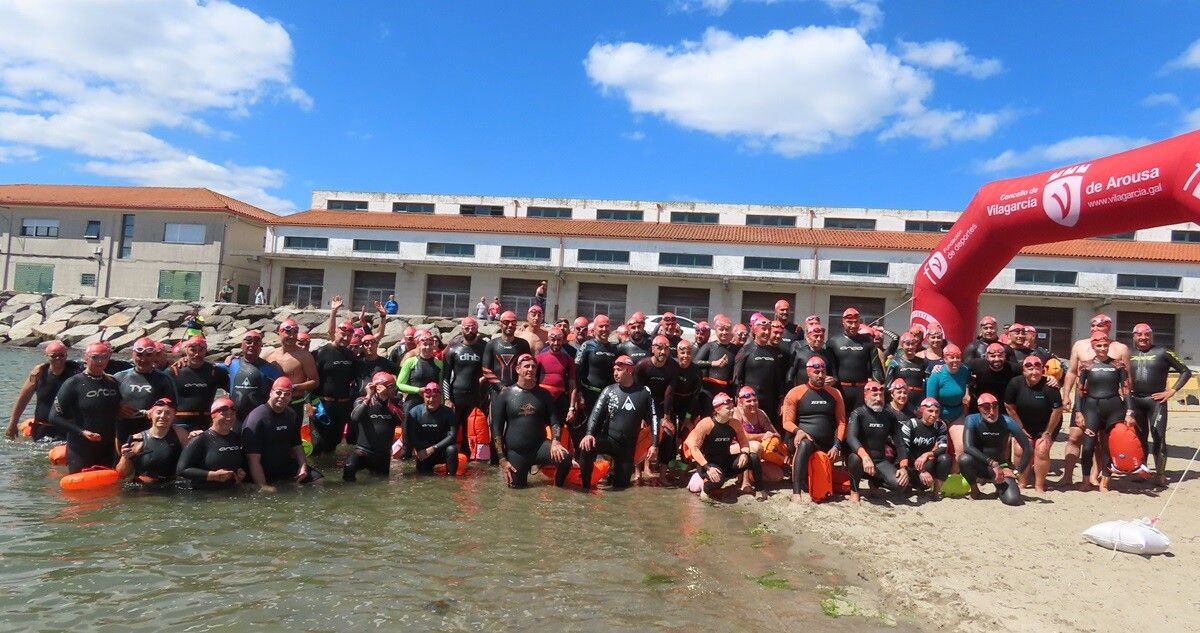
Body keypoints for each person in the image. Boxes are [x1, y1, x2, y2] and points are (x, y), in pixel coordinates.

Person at [1060, 313, 1130, 487]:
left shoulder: (1120, 348)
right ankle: (1068, 476)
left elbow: (1127, 380)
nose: (1094, 329)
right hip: (1085, 399)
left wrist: (1127, 407)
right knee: (1075, 437)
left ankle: (1094, 476)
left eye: (1099, 326)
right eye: (1092, 325)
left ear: (1109, 326)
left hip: (1110, 401)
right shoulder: (1080, 345)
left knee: (1102, 441)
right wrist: (1066, 394)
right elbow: (1071, 371)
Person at [578, 355, 659, 489]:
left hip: (627, 448)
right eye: (614, 369)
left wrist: (654, 445)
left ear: (629, 370)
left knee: (621, 488)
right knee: (587, 445)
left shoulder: (644, 392)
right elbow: (595, 414)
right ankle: (585, 485)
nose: (615, 373)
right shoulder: (609, 390)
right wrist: (589, 433)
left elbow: (654, 417)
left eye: (619, 369)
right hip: (609, 440)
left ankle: (611, 475)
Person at [490, 355, 570, 488]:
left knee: (565, 458)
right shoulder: (506, 394)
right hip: (516, 452)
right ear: (517, 369)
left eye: (533, 366)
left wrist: (556, 441)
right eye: (526, 366)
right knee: (517, 491)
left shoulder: (544, 394)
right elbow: (496, 429)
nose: (530, 369)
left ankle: (558, 488)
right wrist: (502, 460)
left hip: (539, 447)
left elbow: (555, 421)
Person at [1127, 322, 1192, 486]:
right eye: (1139, 334)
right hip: (1135, 400)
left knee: (1159, 437)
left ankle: (1160, 474)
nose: (1143, 337)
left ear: (1151, 336)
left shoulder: (1163, 351)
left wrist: (1172, 391)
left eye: (1147, 334)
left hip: (1156, 401)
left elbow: (1186, 371)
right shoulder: (1127, 353)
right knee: (1140, 438)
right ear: (1133, 336)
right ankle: (1142, 471)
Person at [48, 342, 123, 473]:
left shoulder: (113, 383)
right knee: (79, 490)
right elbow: (54, 417)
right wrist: (82, 432)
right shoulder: (73, 383)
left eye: (105, 357)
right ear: (85, 358)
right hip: (81, 448)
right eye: (95, 357)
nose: (100, 361)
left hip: (108, 448)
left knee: (108, 491)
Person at [781, 356, 846, 502]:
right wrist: (799, 431)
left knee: (830, 489)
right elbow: (786, 422)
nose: (821, 375)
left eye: (823, 372)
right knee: (805, 443)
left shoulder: (835, 393)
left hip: (826, 445)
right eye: (817, 372)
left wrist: (837, 445)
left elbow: (841, 423)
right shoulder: (795, 392)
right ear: (808, 373)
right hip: (802, 441)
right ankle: (796, 492)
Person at [1075, 332, 1131, 492]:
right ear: (1093, 347)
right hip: (1091, 407)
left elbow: (1126, 390)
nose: (1102, 348)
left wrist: (1130, 411)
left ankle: (1105, 482)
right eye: (1098, 345)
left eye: (1105, 345)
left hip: (1114, 408)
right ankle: (1085, 480)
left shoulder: (1118, 365)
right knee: (1087, 447)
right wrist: (1079, 411)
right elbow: (1079, 391)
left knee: (1109, 447)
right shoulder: (1086, 365)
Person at [685, 392, 766, 500]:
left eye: (732, 407)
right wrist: (708, 467)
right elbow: (694, 448)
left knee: (753, 457)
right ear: (718, 410)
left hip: (726, 462)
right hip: (708, 464)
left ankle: (760, 490)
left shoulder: (735, 423)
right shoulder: (706, 424)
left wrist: (744, 453)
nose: (732, 410)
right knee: (718, 480)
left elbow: (744, 442)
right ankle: (705, 488)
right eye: (728, 408)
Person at [242, 377, 318, 489]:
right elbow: (253, 460)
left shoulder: (291, 414)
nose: (282, 396)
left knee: (318, 481)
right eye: (278, 392)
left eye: (287, 394)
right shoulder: (257, 419)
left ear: (291, 396)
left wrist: (303, 466)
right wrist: (263, 486)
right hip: (263, 469)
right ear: (271, 393)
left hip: (284, 466)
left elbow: (296, 445)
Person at [1003, 355, 1063, 492]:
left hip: (1048, 424)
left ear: (1043, 369)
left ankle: (1039, 485)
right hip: (1024, 424)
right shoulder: (1015, 383)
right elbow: (1009, 407)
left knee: (1041, 450)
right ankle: (1022, 482)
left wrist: (1048, 433)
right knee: (1020, 449)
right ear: (1023, 370)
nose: (1033, 371)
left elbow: (1057, 410)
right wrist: (1020, 428)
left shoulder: (1050, 386)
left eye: (1037, 367)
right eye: (1029, 367)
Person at [959, 393, 1032, 504]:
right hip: (980, 465)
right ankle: (975, 490)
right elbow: (968, 447)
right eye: (987, 408)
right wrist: (992, 463)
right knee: (964, 459)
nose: (992, 412)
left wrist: (1017, 471)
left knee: (1013, 500)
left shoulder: (1007, 421)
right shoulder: (972, 419)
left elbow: (1028, 448)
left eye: (995, 407)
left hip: (1001, 467)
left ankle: (999, 487)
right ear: (979, 408)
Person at [845, 381, 908, 501]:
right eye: (874, 395)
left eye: (881, 395)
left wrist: (904, 468)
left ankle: (875, 482)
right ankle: (854, 490)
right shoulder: (858, 414)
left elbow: (900, 443)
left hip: (880, 461)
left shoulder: (889, 415)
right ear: (865, 396)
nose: (878, 398)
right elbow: (851, 437)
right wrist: (865, 457)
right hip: (860, 460)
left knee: (901, 483)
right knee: (854, 458)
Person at [7, 340, 81, 441]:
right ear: (46, 356)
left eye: (62, 355)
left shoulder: (76, 371)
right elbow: (23, 400)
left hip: (67, 427)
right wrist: (12, 424)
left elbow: (94, 364)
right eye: (53, 355)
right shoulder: (38, 374)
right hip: (42, 428)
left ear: (66, 355)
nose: (58, 358)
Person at [114, 336, 179, 442]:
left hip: (152, 434)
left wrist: (155, 412)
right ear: (132, 354)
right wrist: (116, 407)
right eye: (139, 355)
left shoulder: (164, 379)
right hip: (123, 432)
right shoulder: (119, 377)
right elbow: (104, 403)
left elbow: (173, 407)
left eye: (148, 355)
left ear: (154, 356)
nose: (143, 359)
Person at [313, 313, 360, 455]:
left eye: (349, 336)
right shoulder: (321, 352)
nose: (345, 339)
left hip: (343, 406)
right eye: (343, 335)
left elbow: (357, 378)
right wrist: (310, 403)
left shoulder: (351, 355)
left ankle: (331, 471)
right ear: (335, 333)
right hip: (323, 404)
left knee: (335, 442)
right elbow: (311, 378)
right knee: (319, 443)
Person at [176, 396, 247, 490]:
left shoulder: (236, 438)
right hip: (203, 494)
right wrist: (212, 475)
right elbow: (182, 470)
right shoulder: (200, 439)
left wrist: (240, 471)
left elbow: (235, 462)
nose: (229, 418)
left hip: (229, 492)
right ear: (213, 416)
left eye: (232, 414)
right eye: (224, 414)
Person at [635, 335, 680, 478]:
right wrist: (641, 416)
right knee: (641, 434)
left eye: (666, 348)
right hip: (645, 406)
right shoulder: (643, 365)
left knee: (668, 434)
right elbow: (637, 392)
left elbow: (670, 392)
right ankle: (638, 472)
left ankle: (662, 475)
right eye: (659, 348)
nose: (663, 352)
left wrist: (666, 417)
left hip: (662, 406)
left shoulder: (673, 366)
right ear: (652, 349)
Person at [345, 373, 403, 481]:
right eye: (391, 387)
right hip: (363, 451)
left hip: (383, 454)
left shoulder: (395, 403)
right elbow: (355, 417)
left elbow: (402, 420)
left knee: (381, 485)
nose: (394, 390)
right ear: (379, 387)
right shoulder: (362, 401)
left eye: (394, 386)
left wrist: (386, 401)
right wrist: (368, 396)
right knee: (349, 467)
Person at [443, 316, 487, 455]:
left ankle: (475, 457)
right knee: (454, 428)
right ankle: (451, 456)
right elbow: (445, 377)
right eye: (466, 328)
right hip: (457, 395)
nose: (469, 330)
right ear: (461, 329)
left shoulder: (484, 348)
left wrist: (484, 378)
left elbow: (491, 370)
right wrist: (447, 398)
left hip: (477, 396)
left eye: (472, 327)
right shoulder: (453, 349)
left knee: (476, 427)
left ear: (477, 329)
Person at [115, 397, 183, 486]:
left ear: (173, 416)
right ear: (150, 414)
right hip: (144, 489)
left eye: (167, 413)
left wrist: (197, 436)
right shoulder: (138, 439)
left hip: (170, 486)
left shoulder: (181, 434)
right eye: (158, 412)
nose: (162, 416)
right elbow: (122, 474)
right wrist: (125, 458)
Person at [826, 307, 882, 414]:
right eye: (849, 322)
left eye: (856, 322)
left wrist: (876, 386)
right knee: (841, 422)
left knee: (860, 423)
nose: (853, 325)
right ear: (843, 322)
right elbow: (831, 368)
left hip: (861, 390)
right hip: (840, 389)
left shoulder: (868, 342)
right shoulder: (833, 342)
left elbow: (876, 368)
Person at [170, 336, 230, 432]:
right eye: (193, 350)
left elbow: (235, 387)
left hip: (206, 423)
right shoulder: (174, 371)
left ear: (206, 351)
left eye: (201, 350)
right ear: (186, 350)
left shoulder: (215, 372)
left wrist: (234, 359)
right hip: (179, 425)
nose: (197, 354)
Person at [733, 320, 788, 425]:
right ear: (754, 330)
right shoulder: (746, 350)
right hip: (750, 401)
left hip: (770, 401)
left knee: (769, 434)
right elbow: (737, 377)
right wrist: (738, 399)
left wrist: (781, 399)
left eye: (768, 329)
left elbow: (778, 379)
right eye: (764, 329)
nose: (767, 332)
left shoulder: (773, 353)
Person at [224, 330, 282, 424]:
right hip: (235, 419)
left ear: (261, 346)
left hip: (259, 419)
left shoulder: (270, 369)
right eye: (248, 341)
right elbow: (206, 367)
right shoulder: (231, 364)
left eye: (256, 342)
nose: (252, 345)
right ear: (241, 345)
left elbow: (284, 389)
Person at [403, 382, 459, 477]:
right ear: (423, 397)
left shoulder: (448, 412)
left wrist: (433, 448)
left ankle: (451, 478)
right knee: (423, 478)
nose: (431, 400)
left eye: (435, 396)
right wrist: (423, 449)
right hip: (424, 452)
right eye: (428, 397)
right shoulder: (414, 412)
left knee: (452, 449)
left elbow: (452, 436)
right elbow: (411, 437)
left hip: (441, 450)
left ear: (440, 397)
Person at [899, 397, 952, 498]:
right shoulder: (910, 424)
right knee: (900, 483)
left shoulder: (940, 426)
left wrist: (927, 454)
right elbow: (904, 450)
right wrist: (921, 471)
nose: (933, 414)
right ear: (922, 410)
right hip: (910, 465)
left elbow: (943, 448)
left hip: (927, 463)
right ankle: (909, 485)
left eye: (937, 412)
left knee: (945, 459)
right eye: (930, 411)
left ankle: (935, 492)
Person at [924, 344, 970, 455]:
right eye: (951, 357)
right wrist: (937, 419)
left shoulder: (964, 371)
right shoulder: (936, 374)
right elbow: (930, 401)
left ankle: (956, 471)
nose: (955, 360)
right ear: (945, 359)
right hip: (939, 415)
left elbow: (969, 383)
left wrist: (967, 395)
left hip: (957, 414)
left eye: (958, 357)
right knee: (938, 448)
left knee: (962, 447)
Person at [535, 326, 576, 445]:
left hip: (560, 400)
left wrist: (571, 408)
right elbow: (532, 381)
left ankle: (557, 458)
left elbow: (572, 385)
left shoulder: (568, 359)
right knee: (539, 428)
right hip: (542, 398)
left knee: (559, 430)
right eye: (553, 339)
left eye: (559, 340)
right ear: (548, 340)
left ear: (563, 340)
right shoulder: (540, 358)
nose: (556, 343)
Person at [574, 314, 617, 420]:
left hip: (607, 396)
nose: (604, 329)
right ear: (594, 328)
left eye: (607, 326)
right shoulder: (587, 345)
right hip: (589, 395)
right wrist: (579, 394)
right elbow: (576, 371)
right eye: (601, 326)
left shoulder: (614, 348)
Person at [396, 330, 443, 415]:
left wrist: (442, 403)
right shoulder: (410, 361)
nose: (428, 347)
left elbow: (441, 386)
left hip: (433, 402)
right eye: (425, 344)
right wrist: (418, 390)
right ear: (419, 345)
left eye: (430, 344)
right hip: (413, 401)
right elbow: (399, 384)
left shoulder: (439, 364)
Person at [968, 343, 1019, 412]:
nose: (997, 359)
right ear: (986, 357)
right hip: (982, 405)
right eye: (993, 356)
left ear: (1005, 356)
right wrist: (966, 392)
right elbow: (962, 373)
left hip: (1004, 406)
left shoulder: (1015, 369)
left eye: (1000, 356)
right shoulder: (976, 365)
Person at [694, 315, 736, 398]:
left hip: (728, 390)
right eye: (721, 330)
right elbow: (694, 363)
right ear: (716, 331)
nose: (724, 332)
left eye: (727, 330)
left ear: (730, 331)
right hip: (709, 390)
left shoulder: (736, 348)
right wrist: (713, 363)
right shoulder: (709, 346)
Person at [787, 323, 836, 388]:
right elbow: (790, 377)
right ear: (808, 337)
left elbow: (835, 376)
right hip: (803, 394)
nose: (819, 339)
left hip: (822, 393)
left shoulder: (828, 354)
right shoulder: (798, 353)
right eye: (816, 336)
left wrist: (833, 381)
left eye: (821, 336)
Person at [884, 331, 926, 400]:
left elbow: (928, 381)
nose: (910, 347)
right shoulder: (895, 362)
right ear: (902, 345)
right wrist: (888, 400)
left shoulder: (922, 362)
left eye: (913, 344)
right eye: (908, 344)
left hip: (918, 399)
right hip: (900, 398)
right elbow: (888, 384)